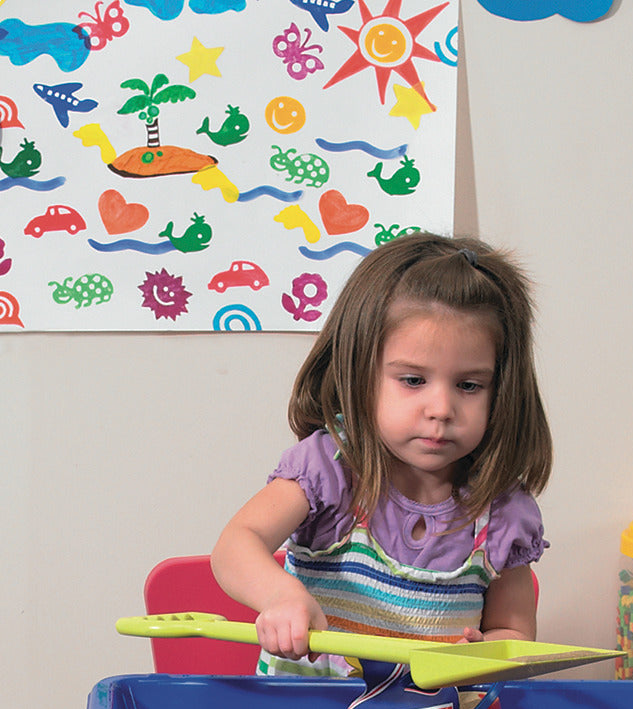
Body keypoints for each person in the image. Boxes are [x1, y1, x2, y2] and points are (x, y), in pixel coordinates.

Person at [212, 232, 553, 676]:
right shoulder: (330, 469)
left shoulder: (503, 513)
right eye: (412, 380)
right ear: (360, 372)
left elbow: (514, 633)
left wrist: (489, 651)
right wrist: (281, 597)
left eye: (469, 385)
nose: (441, 409)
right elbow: (236, 545)